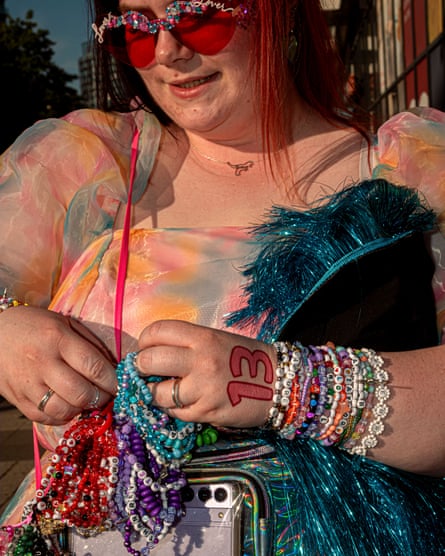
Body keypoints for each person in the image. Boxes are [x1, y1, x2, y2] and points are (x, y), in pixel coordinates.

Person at [0, 0, 444, 554]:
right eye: (136, 27)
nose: (167, 51)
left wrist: (279, 383)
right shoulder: (88, 167)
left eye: (198, 15)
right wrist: (6, 334)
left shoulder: (413, 172)